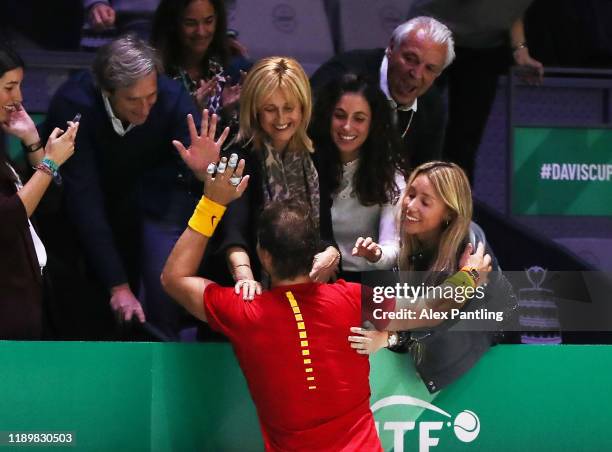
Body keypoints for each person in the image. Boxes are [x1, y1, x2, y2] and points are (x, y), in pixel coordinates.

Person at [161, 118, 491, 448]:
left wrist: (212, 201)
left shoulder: (243, 312)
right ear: (315, 252)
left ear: (263, 256)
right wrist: (470, 276)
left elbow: (174, 278)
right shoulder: (350, 298)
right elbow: (431, 310)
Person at [40, 35, 212, 340]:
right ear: (107, 91)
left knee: (160, 285)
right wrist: (117, 285)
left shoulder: (172, 98)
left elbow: (201, 172)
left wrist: (203, 173)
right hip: (77, 214)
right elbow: (84, 199)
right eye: (133, 100)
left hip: (153, 200)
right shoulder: (74, 104)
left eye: (151, 97)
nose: (145, 108)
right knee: (86, 307)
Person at [348, 161, 511, 392]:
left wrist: (390, 338)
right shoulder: (405, 240)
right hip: (420, 366)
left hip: (473, 376)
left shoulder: (470, 247)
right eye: (410, 194)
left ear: (449, 212)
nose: (410, 205)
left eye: (425, 202)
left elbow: (440, 310)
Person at [215, 56, 339, 299]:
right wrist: (245, 279)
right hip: (250, 290)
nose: (281, 119)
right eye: (270, 109)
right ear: (255, 110)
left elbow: (324, 233)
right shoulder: (238, 156)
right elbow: (233, 234)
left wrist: (332, 254)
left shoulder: (317, 154)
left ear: (303, 107)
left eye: (289, 108)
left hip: (307, 289)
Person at [408, 0, 544, 183]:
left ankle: (454, 205)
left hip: (484, 48)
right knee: (415, 126)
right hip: (431, 33)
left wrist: (519, 48)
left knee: (465, 143)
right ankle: (400, 196)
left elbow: (512, 8)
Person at [0, 44, 78, 339]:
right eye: (9, 87)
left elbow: (47, 205)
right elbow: (7, 221)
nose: (18, 98)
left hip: (23, 303)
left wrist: (33, 143)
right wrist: (49, 163)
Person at [310, 16, 455, 171]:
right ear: (391, 48)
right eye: (410, 59)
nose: (417, 74)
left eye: (430, 68)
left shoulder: (431, 104)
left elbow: (425, 173)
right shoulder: (341, 75)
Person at [310, 74, 405, 281]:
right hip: (313, 275)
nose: (347, 126)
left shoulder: (389, 173)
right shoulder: (307, 161)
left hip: (365, 280)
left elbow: (393, 249)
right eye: (340, 115)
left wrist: (375, 253)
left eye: (359, 119)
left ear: (373, 124)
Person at [151, 0, 251, 117]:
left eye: (208, 21)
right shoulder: (156, 77)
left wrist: (228, 112)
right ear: (173, 24)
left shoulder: (232, 69)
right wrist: (192, 111)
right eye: (190, 23)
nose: (201, 32)